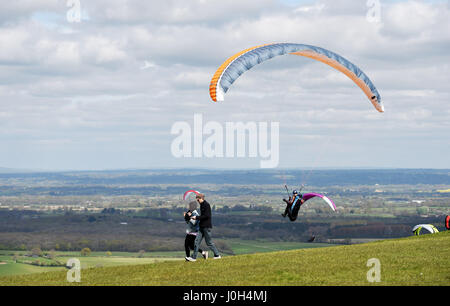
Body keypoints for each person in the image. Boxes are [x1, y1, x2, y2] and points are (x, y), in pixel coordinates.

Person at [186, 193, 221, 261]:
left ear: (201, 198)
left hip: (206, 227)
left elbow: (206, 216)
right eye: (197, 200)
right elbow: (203, 216)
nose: (198, 201)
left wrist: (196, 217)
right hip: (201, 227)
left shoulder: (206, 205)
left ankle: (217, 255)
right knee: (196, 242)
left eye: (198, 200)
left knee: (209, 243)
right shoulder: (202, 205)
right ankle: (193, 257)